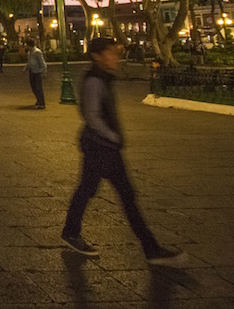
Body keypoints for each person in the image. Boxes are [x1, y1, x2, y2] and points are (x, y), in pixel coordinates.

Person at [61, 37, 187, 266]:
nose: (115, 57)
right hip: (101, 148)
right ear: (97, 57)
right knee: (109, 194)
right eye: (110, 53)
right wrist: (113, 136)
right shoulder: (95, 81)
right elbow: (92, 115)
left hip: (103, 147)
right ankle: (151, 249)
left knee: (99, 192)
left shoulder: (102, 78)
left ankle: (72, 232)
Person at [25, 38, 47, 109]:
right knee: (34, 87)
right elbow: (29, 62)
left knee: (38, 88)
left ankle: (42, 103)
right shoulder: (30, 53)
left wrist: (44, 72)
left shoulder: (37, 52)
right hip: (32, 71)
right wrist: (26, 68)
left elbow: (42, 63)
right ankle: (38, 100)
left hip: (38, 72)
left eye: (27, 45)